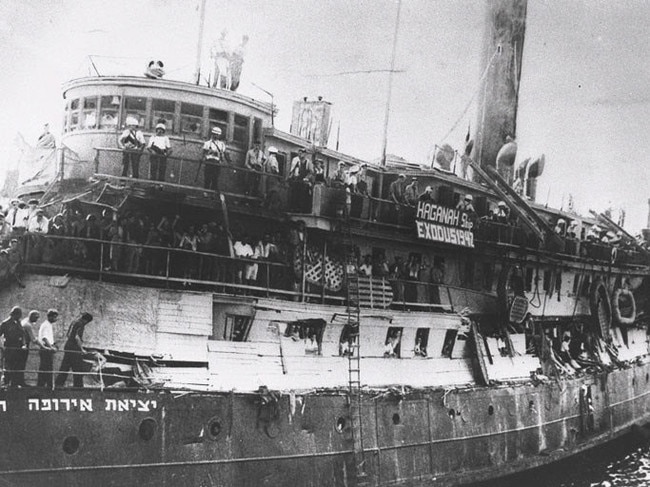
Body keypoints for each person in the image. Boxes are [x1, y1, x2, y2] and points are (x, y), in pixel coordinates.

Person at [55, 312, 94, 388]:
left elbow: (68, 334)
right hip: (74, 348)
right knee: (77, 368)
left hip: (68, 346)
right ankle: (78, 386)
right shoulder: (81, 324)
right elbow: (77, 337)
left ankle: (58, 384)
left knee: (65, 367)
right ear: (86, 320)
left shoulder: (74, 322)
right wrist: (81, 349)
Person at [0, 306, 26, 387]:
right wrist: (1, 346)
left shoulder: (18, 323)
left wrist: (23, 344)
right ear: (14, 314)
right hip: (9, 348)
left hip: (17, 348)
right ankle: (6, 383)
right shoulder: (5, 323)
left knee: (17, 366)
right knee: (8, 366)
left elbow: (22, 333)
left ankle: (14, 384)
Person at [37, 309, 58, 388]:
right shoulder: (46, 325)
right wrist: (51, 347)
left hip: (47, 349)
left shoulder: (48, 325)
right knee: (45, 368)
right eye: (54, 317)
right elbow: (44, 338)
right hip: (46, 349)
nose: (55, 319)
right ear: (50, 316)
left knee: (47, 368)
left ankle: (46, 385)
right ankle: (42, 385)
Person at [19, 310, 40, 386]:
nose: (37, 320)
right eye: (36, 318)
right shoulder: (28, 325)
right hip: (24, 346)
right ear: (32, 316)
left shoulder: (24, 321)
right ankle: (20, 382)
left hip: (22, 345)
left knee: (20, 365)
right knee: (21, 364)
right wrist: (43, 346)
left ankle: (19, 381)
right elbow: (34, 339)